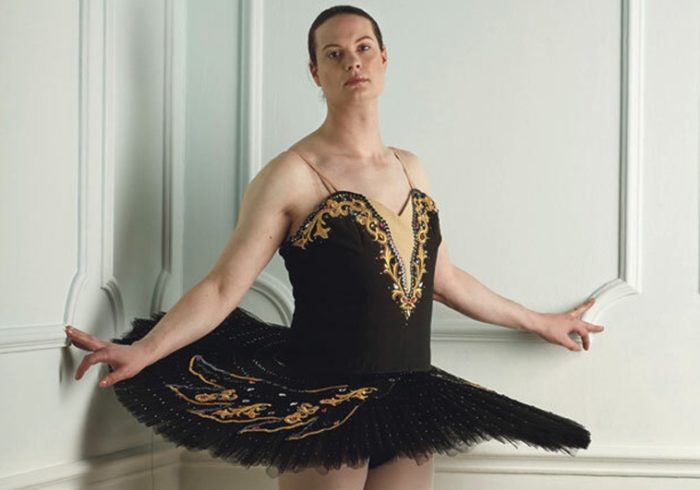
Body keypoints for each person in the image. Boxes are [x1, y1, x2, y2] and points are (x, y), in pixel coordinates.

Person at [64, 5, 605, 490]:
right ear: (315, 72)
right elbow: (224, 286)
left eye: (363, 48)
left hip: (409, 398)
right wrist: (145, 350)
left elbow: (443, 279)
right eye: (335, 53)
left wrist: (540, 321)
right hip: (322, 401)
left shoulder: (411, 168)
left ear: (384, 59)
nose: (353, 62)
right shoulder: (291, 175)